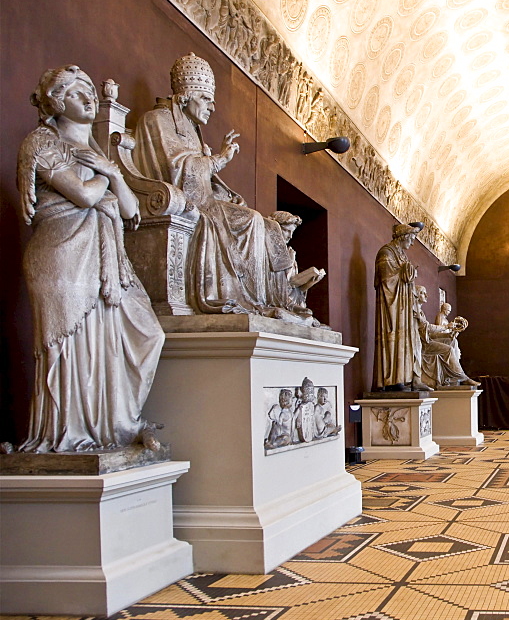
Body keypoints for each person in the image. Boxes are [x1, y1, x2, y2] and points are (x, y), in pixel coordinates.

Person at [16, 65, 165, 453]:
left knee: (147, 332)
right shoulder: (41, 143)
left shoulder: (97, 152)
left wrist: (112, 173)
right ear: (55, 102)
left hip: (104, 258)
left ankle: (114, 427)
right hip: (62, 255)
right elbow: (82, 195)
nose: (87, 98)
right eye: (74, 92)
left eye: (88, 90)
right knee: (72, 348)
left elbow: (132, 209)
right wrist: (107, 177)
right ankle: (69, 436)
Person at [133, 53, 298, 318]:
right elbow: (176, 171)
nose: (212, 107)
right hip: (182, 203)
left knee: (267, 225)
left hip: (203, 201)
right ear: (185, 97)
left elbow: (205, 179)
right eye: (206, 99)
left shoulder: (192, 130)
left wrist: (226, 190)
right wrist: (218, 159)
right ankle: (242, 298)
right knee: (252, 221)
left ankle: (276, 300)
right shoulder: (157, 121)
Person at [373, 223, 429, 391]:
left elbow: (406, 277)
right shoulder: (386, 252)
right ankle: (391, 380)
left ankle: (403, 378)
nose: (412, 243)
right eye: (411, 239)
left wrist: (409, 273)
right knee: (393, 339)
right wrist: (405, 273)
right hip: (392, 307)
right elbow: (386, 281)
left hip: (403, 308)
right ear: (403, 237)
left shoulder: (402, 255)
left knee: (406, 340)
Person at [414, 285, 479, 388]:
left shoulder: (420, 311)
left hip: (427, 340)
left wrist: (450, 334)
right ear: (416, 295)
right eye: (422, 293)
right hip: (422, 345)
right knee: (447, 349)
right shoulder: (416, 312)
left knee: (452, 341)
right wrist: (446, 326)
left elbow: (430, 333)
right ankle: (462, 377)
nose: (426, 295)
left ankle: (454, 377)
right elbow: (429, 328)